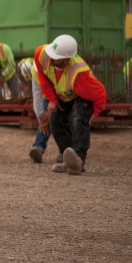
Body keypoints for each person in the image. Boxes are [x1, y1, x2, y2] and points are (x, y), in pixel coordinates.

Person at [35, 35, 106, 175]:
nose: (51, 59)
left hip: (81, 95)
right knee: (55, 121)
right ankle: (69, 160)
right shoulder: (42, 54)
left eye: (56, 58)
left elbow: (100, 93)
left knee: (79, 119)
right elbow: (43, 78)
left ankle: (79, 160)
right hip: (63, 94)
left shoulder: (80, 74)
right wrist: (52, 99)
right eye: (51, 54)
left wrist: (96, 112)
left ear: (67, 59)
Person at [19, 57, 62, 164]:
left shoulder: (60, 69)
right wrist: (40, 117)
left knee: (65, 122)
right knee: (44, 120)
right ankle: (38, 148)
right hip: (48, 96)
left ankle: (64, 151)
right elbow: (37, 94)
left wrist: (50, 112)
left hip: (65, 95)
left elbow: (63, 92)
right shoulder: (35, 70)